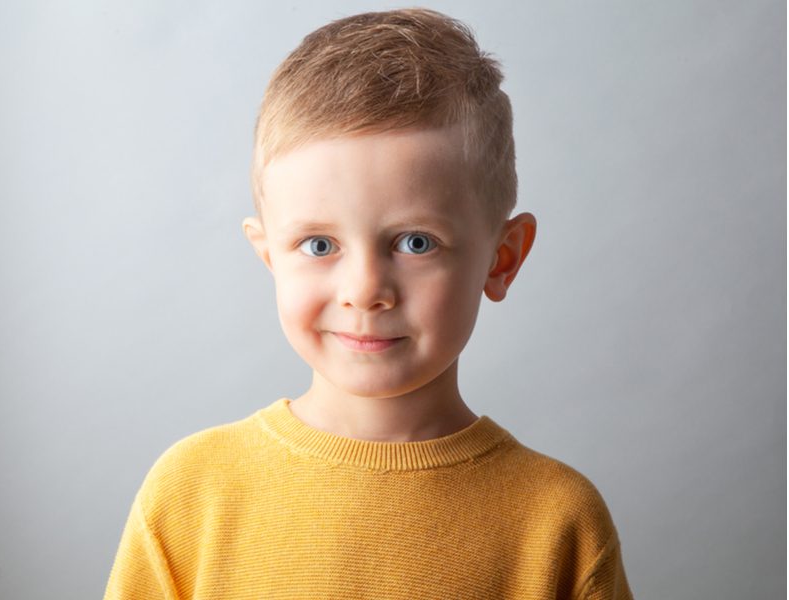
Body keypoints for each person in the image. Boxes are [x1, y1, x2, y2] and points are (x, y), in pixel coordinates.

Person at [104, 8, 633, 599]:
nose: (364, 290)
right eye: (319, 244)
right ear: (269, 255)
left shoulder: (558, 521)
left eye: (415, 243)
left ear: (502, 258)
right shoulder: (189, 494)